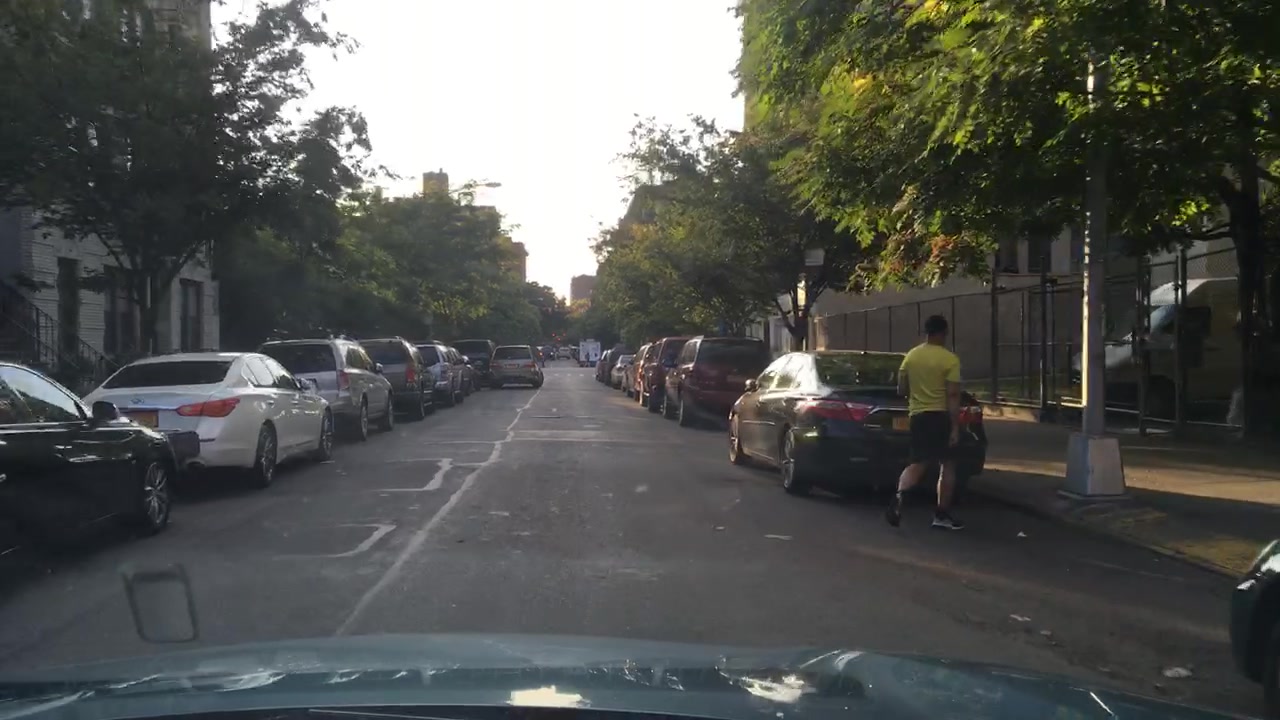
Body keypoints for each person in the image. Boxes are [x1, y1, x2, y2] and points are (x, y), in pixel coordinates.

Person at [886, 314, 965, 531]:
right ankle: (941, 514)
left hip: (918, 416)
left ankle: (900, 495)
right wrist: (955, 427)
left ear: (926, 332)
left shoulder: (911, 356)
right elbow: (953, 395)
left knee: (918, 462)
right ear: (943, 333)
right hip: (941, 416)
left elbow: (901, 388)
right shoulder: (949, 359)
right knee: (947, 464)